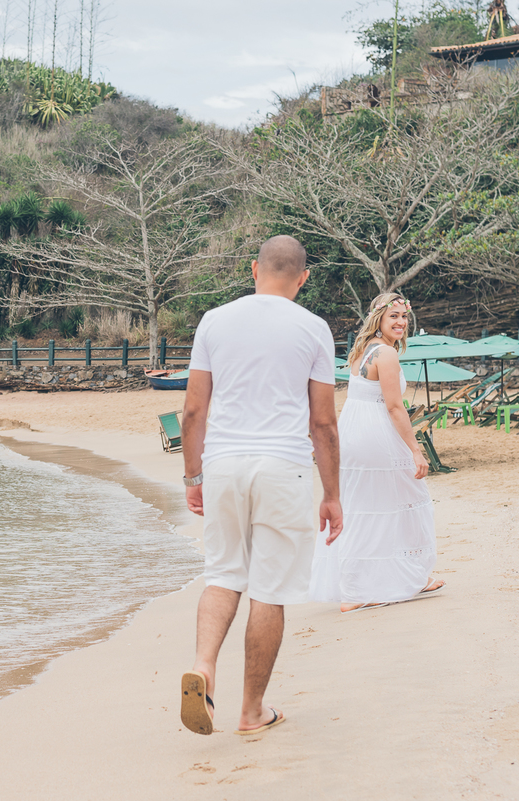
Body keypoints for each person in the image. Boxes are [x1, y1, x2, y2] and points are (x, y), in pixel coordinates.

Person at [180, 235, 342, 736]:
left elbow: (191, 410)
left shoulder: (214, 320)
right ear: (303, 278)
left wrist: (193, 476)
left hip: (223, 463)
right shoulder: (314, 329)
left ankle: (204, 667)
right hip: (283, 467)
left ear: (254, 269)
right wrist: (332, 494)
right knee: (269, 589)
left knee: (223, 573)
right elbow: (323, 423)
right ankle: (251, 711)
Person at [309, 293, 446, 613]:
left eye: (404, 317)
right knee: (405, 502)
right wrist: (416, 450)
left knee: (366, 507)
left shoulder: (362, 350)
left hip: (353, 433)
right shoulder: (386, 354)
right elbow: (395, 407)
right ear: (378, 319)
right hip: (375, 436)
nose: (400, 322)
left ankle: (405, 577)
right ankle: (361, 591)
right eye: (393, 316)